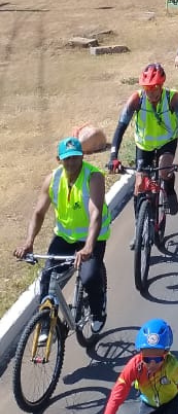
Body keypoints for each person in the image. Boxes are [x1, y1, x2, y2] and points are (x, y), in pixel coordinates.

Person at [14, 137, 110, 335]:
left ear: (82, 156)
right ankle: (47, 323)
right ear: (59, 159)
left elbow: (95, 214)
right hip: (64, 238)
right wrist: (28, 242)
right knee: (47, 278)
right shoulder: (53, 179)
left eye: (75, 157)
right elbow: (39, 213)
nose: (71, 162)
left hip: (92, 237)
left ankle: (98, 310)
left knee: (90, 276)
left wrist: (89, 246)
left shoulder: (94, 177)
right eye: (67, 158)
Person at [108, 63, 178, 219]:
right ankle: (139, 225)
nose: (150, 93)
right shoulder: (136, 99)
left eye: (154, 88)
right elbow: (120, 128)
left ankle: (169, 188)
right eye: (147, 88)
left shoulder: (173, 98)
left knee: (163, 171)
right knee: (139, 185)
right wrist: (113, 156)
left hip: (167, 142)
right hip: (144, 145)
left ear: (161, 86)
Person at [101, 319, 178, 414]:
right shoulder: (134, 366)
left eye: (157, 359)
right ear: (140, 353)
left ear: (166, 353)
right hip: (148, 404)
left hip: (171, 401)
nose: (152, 364)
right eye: (146, 359)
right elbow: (115, 398)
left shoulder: (173, 366)